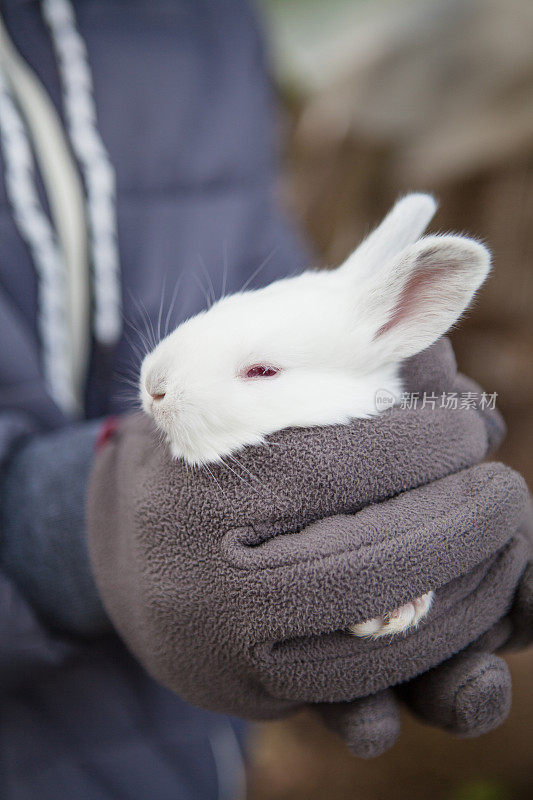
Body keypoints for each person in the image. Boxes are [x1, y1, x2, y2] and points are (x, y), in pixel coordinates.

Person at [0, 2, 530, 799]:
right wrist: (71, 535)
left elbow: (272, 281)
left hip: (192, 757)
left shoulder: (204, 22)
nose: (151, 385)